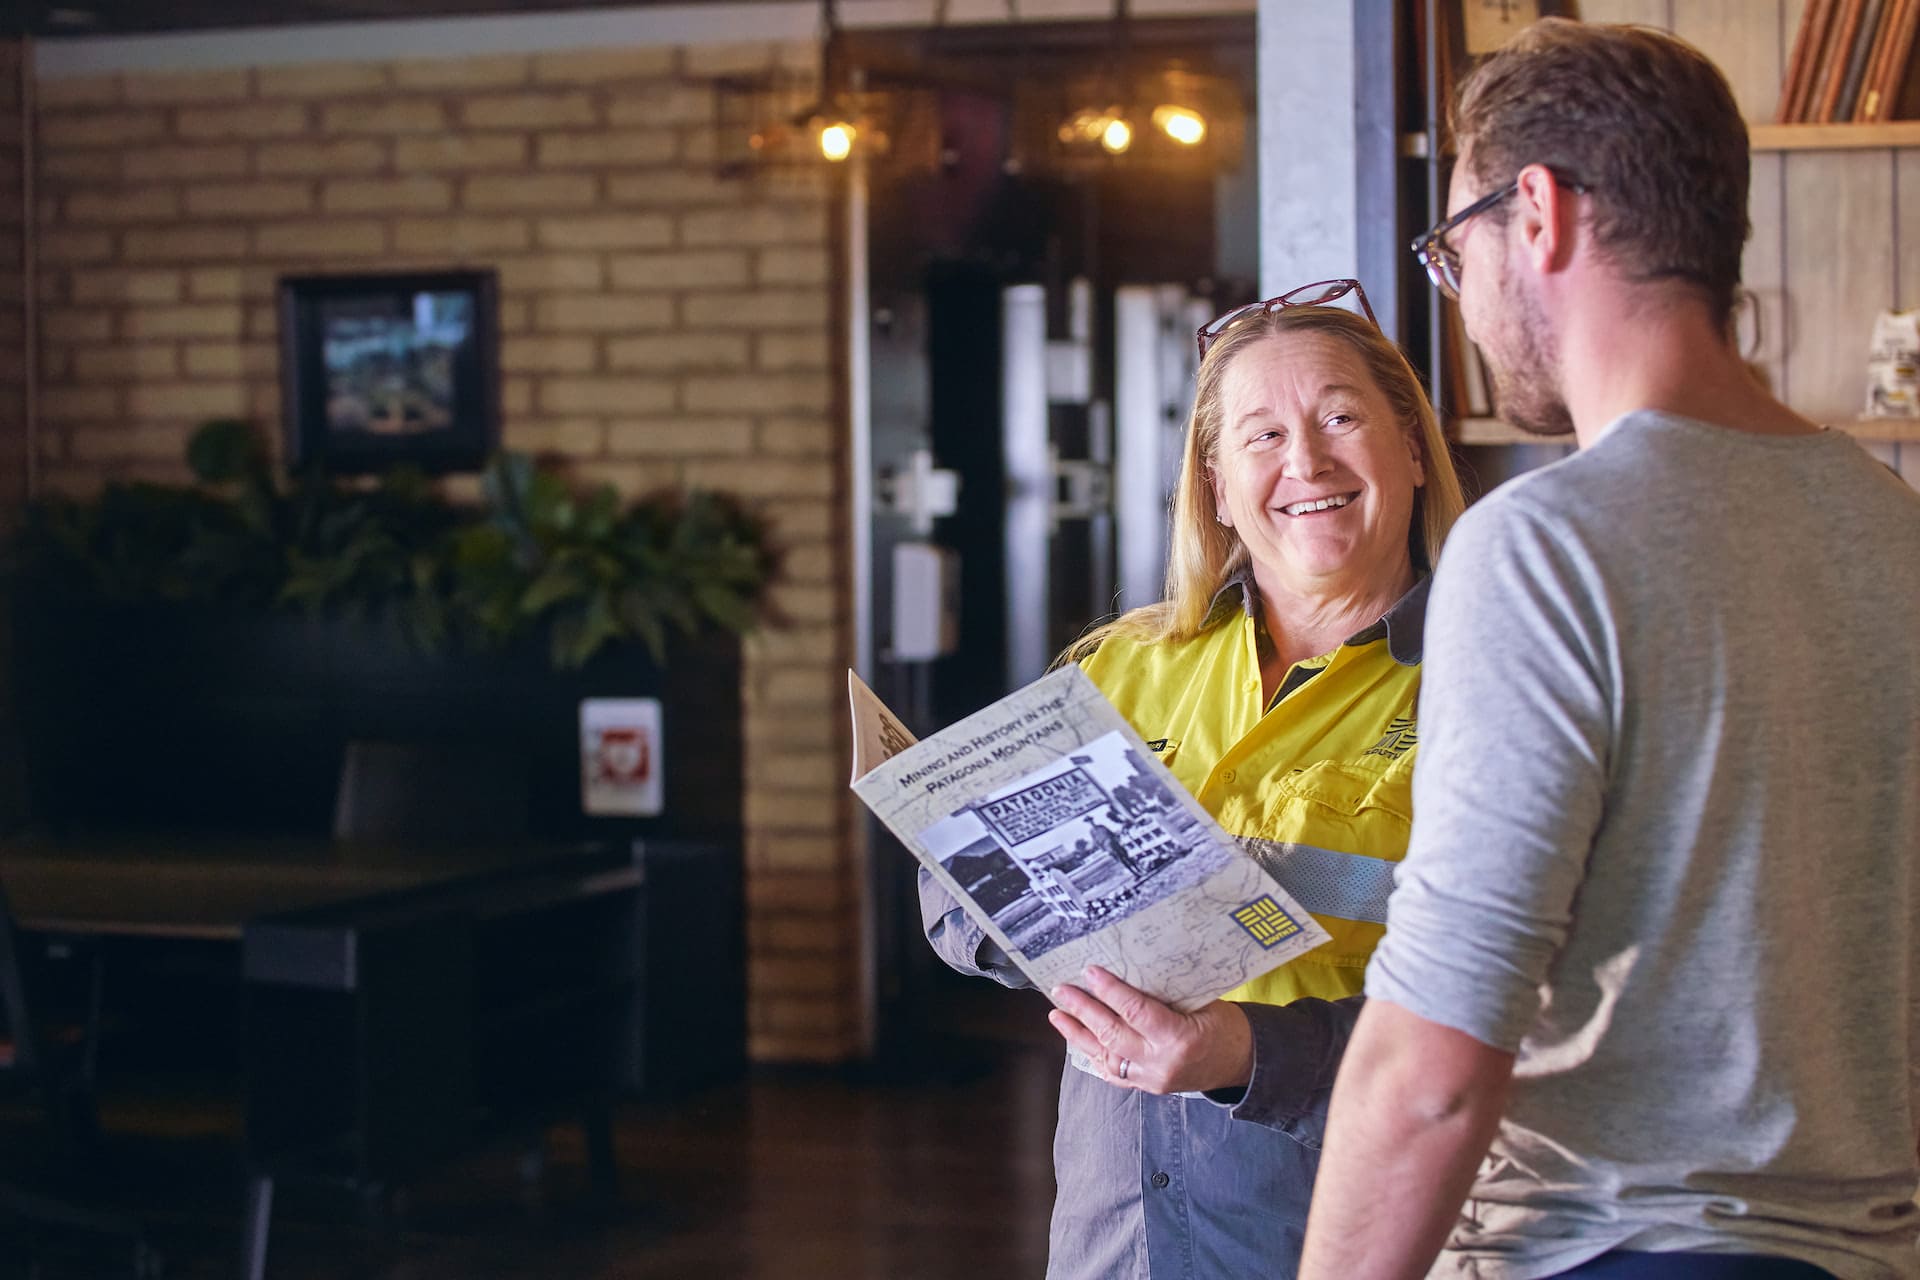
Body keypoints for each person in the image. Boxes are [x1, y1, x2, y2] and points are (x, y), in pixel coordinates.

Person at [1299, 20, 1920, 1280]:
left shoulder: (1546, 544)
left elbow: (1432, 1065)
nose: (1462, 299)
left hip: (1619, 1248)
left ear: (1537, 213)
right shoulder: (1888, 520)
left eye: (1453, 249)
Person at [921, 284, 1469, 1278]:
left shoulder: (1488, 687)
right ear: (1215, 485)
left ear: (1414, 450)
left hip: (1339, 1231)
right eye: (1261, 435)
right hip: (1115, 1236)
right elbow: (951, 902)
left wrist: (1246, 1054)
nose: (1305, 461)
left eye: (1341, 417)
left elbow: (1507, 1020)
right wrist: (1033, 908)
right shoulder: (1121, 669)